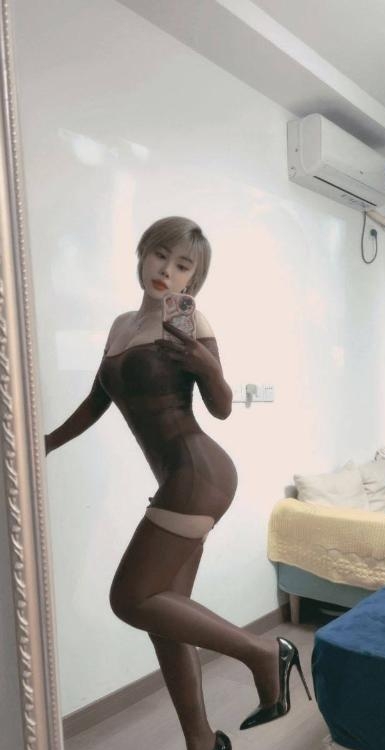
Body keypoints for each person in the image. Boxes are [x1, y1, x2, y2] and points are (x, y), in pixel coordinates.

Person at [44, 216, 311, 750]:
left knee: (129, 597)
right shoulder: (121, 326)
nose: (167, 270)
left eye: (183, 265)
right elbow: (98, 400)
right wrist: (44, 444)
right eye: (160, 255)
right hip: (176, 479)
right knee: (164, 618)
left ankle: (264, 653)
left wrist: (204, 364)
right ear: (143, 254)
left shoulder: (191, 323)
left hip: (199, 474)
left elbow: (222, 407)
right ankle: (201, 743)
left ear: (194, 279)